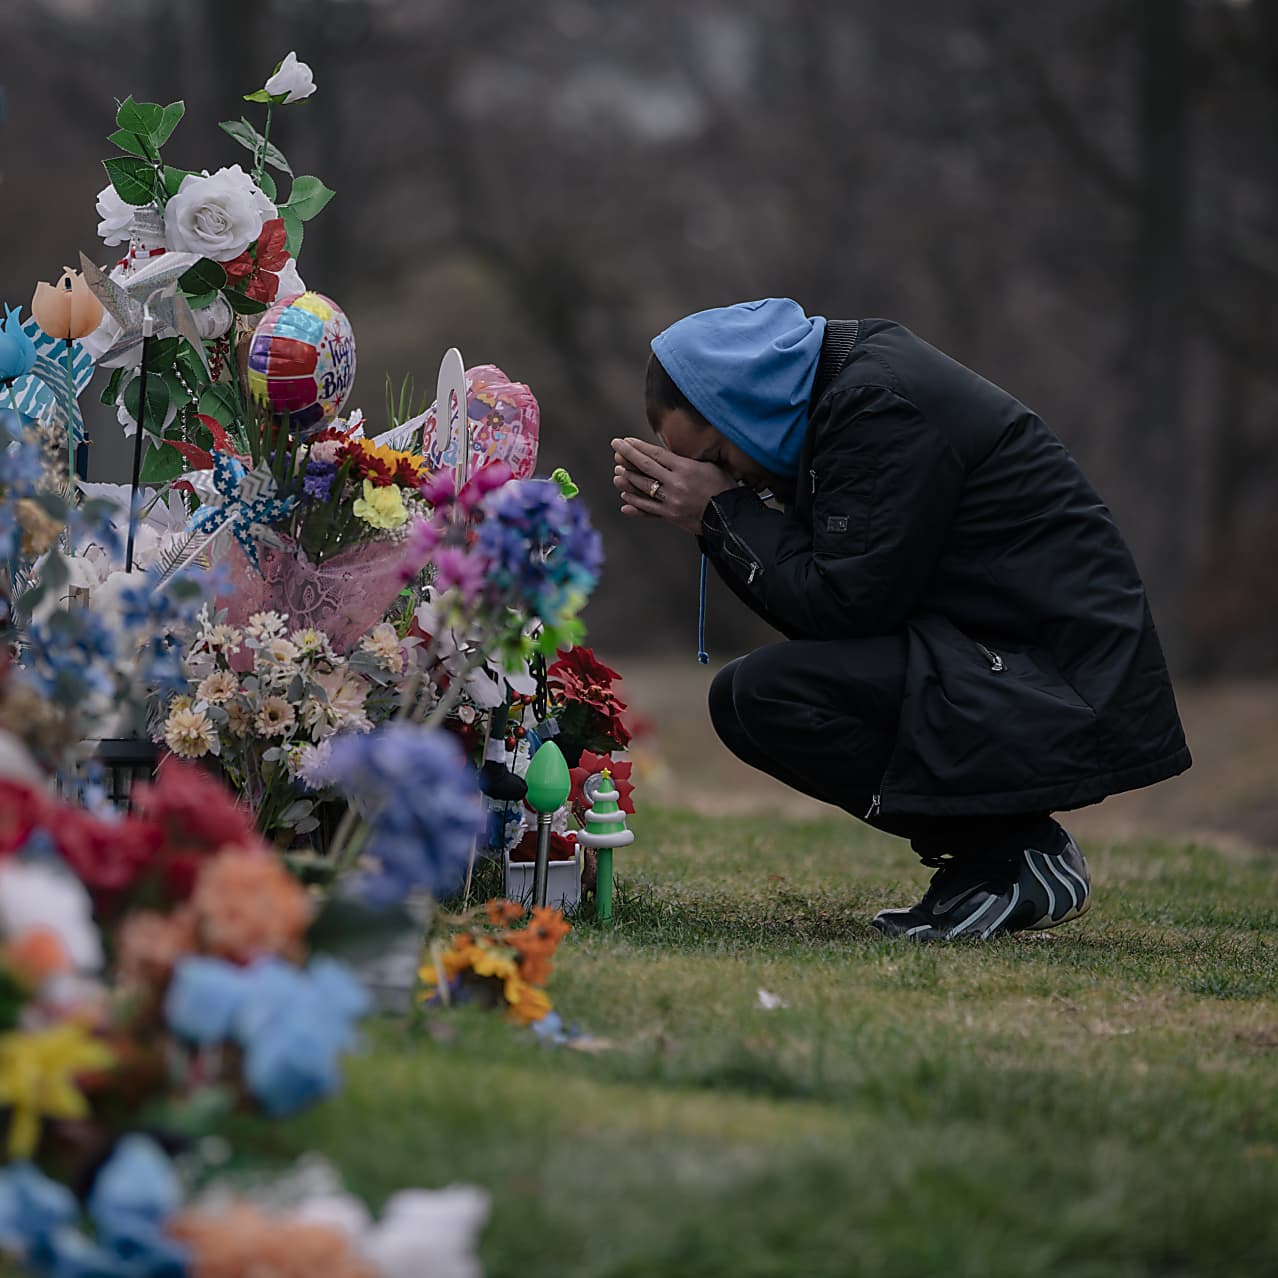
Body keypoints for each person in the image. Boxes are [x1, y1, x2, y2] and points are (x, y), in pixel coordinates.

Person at [612, 298, 1191, 941]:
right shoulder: (839, 394)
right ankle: (999, 856)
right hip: (1013, 661)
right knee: (755, 698)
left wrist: (723, 515)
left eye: (718, 454)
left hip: (1065, 683)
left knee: (765, 695)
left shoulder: (875, 406)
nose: (723, 473)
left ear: (748, 405)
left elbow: (842, 607)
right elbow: (829, 605)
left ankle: (1013, 857)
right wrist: (721, 517)